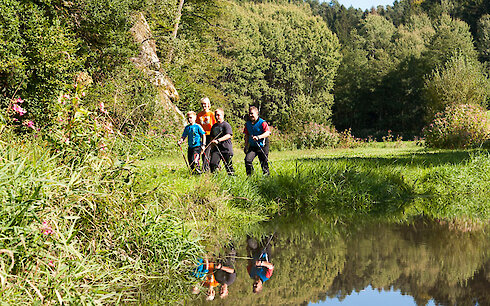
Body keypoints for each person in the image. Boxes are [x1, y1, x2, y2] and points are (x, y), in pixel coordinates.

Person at [244, 106, 271, 176]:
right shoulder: (247, 124)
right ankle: (251, 177)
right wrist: (246, 146)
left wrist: (259, 137)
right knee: (247, 160)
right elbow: (246, 135)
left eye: (252, 113)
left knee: (264, 163)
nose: (250, 115)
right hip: (253, 146)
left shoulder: (262, 122)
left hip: (262, 145)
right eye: (249, 114)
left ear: (257, 113)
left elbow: (267, 133)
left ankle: (267, 178)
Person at [209, 108, 235, 175]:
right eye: (215, 115)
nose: (217, 117)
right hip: (216, 150)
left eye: (218, 115)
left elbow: (229, 135)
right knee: (212, 163)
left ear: (222, 115)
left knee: (228, 166)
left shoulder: (226, 125)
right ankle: (215, 179)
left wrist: (218, 140)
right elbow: (212, 138)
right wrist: (211, 149)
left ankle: (232, 179)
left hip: (226, 149)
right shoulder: (214, 126)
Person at [197, 97, 216, 171]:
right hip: (202, 135)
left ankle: (205, 170)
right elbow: (198, 125)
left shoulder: (212, 114)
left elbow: (215, 125)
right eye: (202, 104)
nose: (204, 106)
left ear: (208, 104)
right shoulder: (199, 115)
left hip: (210, 135)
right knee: (203, 152)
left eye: (205, 104)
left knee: (207, 152)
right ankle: (212, 168)